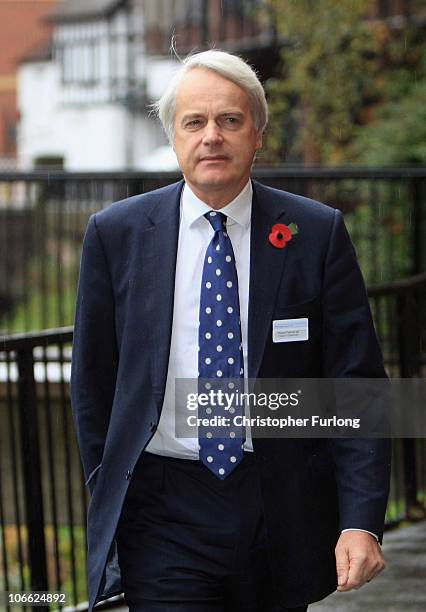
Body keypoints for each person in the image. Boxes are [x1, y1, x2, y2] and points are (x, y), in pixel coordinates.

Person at [70, 50, 391, 612]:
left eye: (230, 120)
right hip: (164, 508)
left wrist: (361, 521)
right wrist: (111, 492)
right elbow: (92, 383)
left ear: (258, 135)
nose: (211, 137)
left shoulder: (314, 233)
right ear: (174, 136)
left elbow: (357, 386)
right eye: (194, 122)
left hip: (281, 504)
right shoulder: (116, 234)